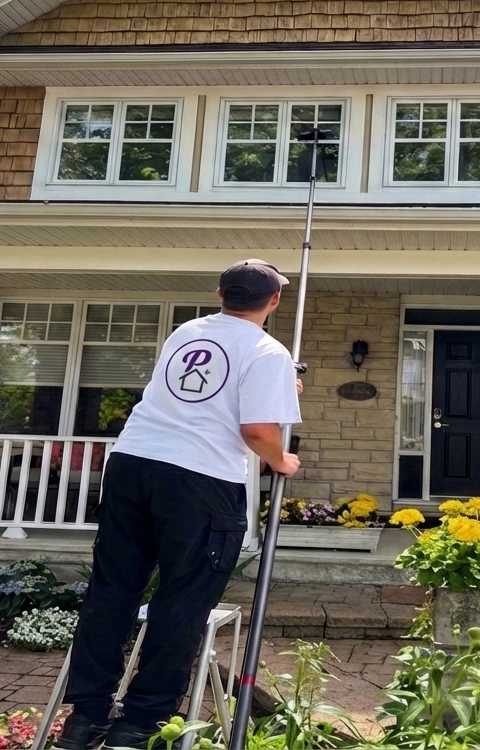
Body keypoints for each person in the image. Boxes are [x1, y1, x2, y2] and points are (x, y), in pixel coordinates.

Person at [56, 260, 302, 750]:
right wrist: (282, 461)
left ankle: (86, 717)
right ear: (273, 301)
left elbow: (198, 395)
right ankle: (140, 723)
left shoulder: (187, 331)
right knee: (182, 599)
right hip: (199, 478)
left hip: (133, 463)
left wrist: (277, 388)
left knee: (113, 589)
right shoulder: (267, 350)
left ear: (220, 293)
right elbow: (255, 431)